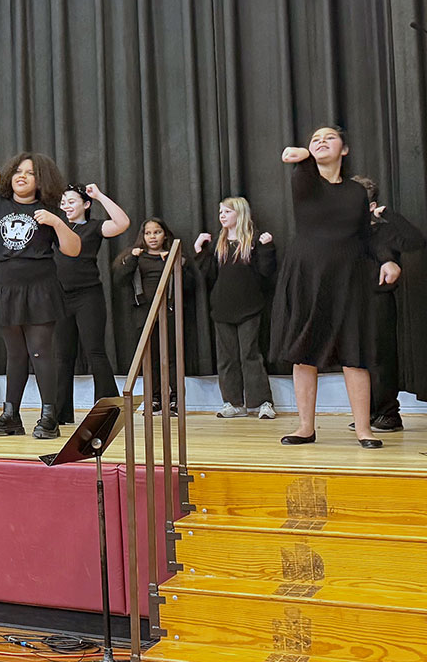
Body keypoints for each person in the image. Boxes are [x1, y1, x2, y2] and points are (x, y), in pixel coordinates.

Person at [273, 126, 397, 449]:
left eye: (329, 137)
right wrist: (305, 154)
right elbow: (293, 156)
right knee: (304, 352)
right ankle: (305, 427)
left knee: (354, 352)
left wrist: (386, 260)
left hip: (348, 278)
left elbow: (365, 236)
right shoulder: (305, 180)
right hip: (308, 275)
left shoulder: (356, 192)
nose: (321, 142)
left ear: (345, 149)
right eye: (315, 139)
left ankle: (364, 429)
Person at [0, 154, 82, 439]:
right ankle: (11, 416)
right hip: (7, 288)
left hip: (40, 289)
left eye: (30, 173)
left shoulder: (49, 210)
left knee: (40, 351)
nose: (22, 176)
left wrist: (57, 223)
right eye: (18, 171)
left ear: (41, 180)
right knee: (15, 354)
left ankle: (49, 416)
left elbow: (73, 250)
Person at [348, 176, 425, 432]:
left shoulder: (385, 230)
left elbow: (416, 241)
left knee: (380, 356)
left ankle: (389, 413)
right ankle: (367, 413)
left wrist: (387, 214)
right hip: (353, 300)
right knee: (358, 358)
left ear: (371, 206)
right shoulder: (347, 233)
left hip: (378, 299)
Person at [193, 198, 277, 419]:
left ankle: (263, 402)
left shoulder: (253, 241)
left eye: (227, 211)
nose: (222, 215)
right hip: (223, 308)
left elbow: (266, 272)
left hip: (249, 307)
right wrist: (199, 250)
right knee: (227, 357)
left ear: (240, 214)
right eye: (220, 211)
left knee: (250, 355)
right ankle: (233, 402)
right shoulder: (217, 244)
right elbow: (207, 276)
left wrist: (267, 248)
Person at [54, 183, 129, 425]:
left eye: (71, 201)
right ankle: (61, 413)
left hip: (88, 295)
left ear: (86, 204)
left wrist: (99, 196)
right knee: (63, 355)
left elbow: (122, 223)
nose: (66, 206)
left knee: (95, 350)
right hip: (60, 297)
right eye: (63, 202)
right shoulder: (57, 226)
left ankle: (108, 411)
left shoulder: (95, 227)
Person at [113, 217, 184, 414]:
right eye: (148, 233)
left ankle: (176, 398)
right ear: (142, 236)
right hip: (143, 312)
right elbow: (120, 280)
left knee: (171, 357)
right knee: (149, 358)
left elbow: (189, 283)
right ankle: (153, 398)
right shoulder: (136, 256)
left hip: (169, 312)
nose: (153, 237)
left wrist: (173, 262)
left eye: (157, 232)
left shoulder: (173, 255)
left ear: (165, 235)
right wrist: (132, 258)